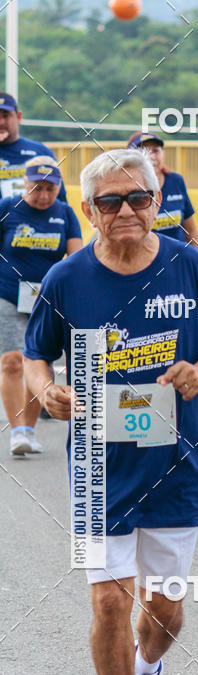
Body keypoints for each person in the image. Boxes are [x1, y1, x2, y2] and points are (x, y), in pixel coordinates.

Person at [23, 148, 198, 675]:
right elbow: (37, 353)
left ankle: (149, 671)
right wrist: (44, 392)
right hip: (97, 465)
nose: (126, 211)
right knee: (110, 602)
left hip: (175, 460)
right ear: (88, 210)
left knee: (164, 607)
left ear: (155, 201)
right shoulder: (68, 280)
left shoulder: (185, 264)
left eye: (138, 198)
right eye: (110, 202)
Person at [0, 156, 82, 455]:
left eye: (50, 188)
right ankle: (18, 430)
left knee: (39, 360)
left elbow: (76, 259)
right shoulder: (8, 208)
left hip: (46, 300)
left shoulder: (65, 213)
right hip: (7, 294)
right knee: (12, 360)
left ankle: (29, 429)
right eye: (37, 188)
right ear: (25, 183)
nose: (44, 195)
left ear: (58, 187)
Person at [127, 131, 198, 252]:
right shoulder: (125, 189)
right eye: (143, 151)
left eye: (156, 151)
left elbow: (191, 232)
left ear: (163, 154)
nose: (151, 156)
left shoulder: (176, 181)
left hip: (178, 261)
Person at [0, 92, 67, 201]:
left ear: (19, 117)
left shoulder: (40, 152)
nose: (1, 122)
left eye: (6, 116)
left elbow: (60, 198)